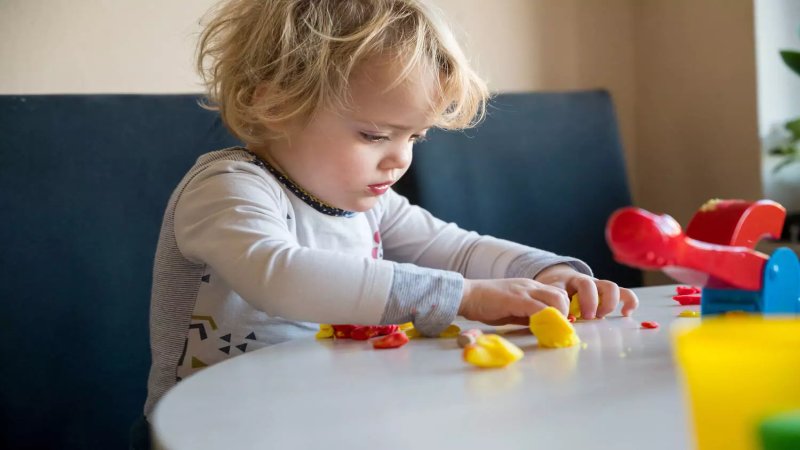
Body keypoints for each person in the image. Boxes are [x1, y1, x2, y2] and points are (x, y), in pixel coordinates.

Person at [136, 0, 639, 444]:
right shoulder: (228, 188)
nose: (399, 160)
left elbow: (457, 248)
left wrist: (546, 271)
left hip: (322, 420)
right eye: (376, 136)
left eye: (414, 138)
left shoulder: (369, 201)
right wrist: (464, 296)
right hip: (212, 430)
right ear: (275, 105)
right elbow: (279, 276)